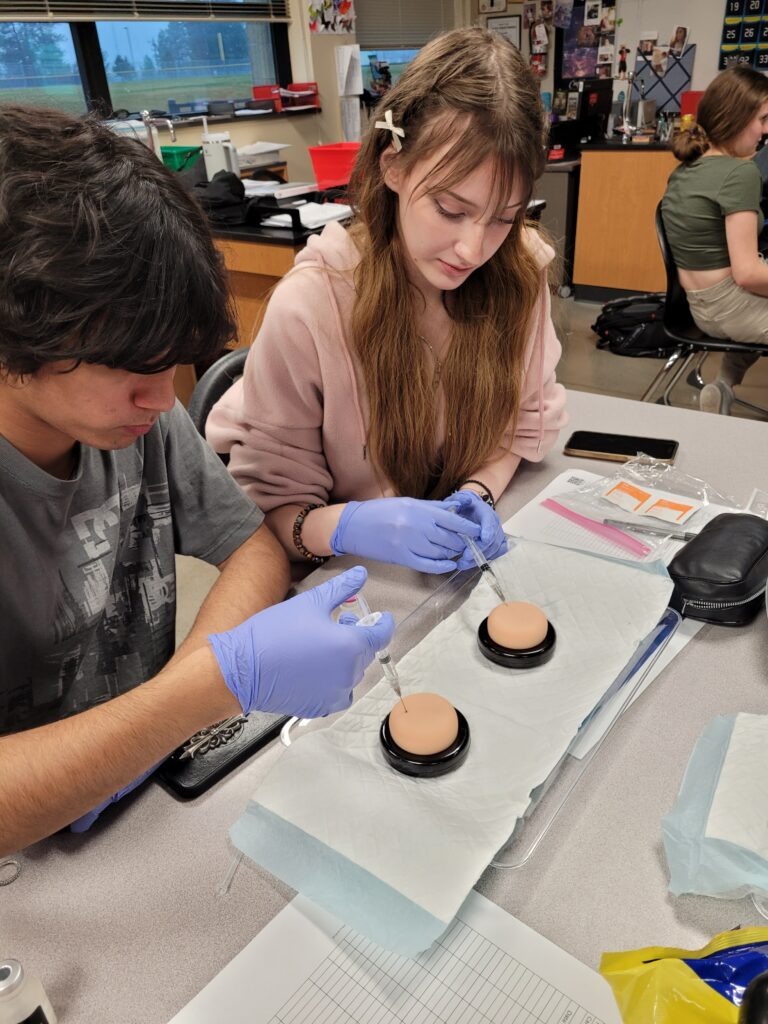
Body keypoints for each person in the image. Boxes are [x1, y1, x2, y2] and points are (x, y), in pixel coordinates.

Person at [0, 105, 393, 857]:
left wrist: (181, 695)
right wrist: (200, 693)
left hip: (143, 805)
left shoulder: (134, 417)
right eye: (129, 365)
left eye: (171, 363)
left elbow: (252, 547)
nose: (163, 398)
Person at [207, 28, 567, 572]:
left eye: (502, 218)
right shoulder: (312, 305)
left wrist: (479, 490)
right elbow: (269, 519)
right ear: (392, 165)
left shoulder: (518, 274)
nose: (473, 250)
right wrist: (349, 525)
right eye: (450, 210)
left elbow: (523, 421)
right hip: (346, 574)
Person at [661, 65, 768, 415]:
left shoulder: (684, 171)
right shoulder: (741, 172)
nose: (766, 130)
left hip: (696, 309)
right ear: (737, 117)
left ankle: (723, 386)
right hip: (733, 308)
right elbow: (747, 274)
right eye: (763, 119)